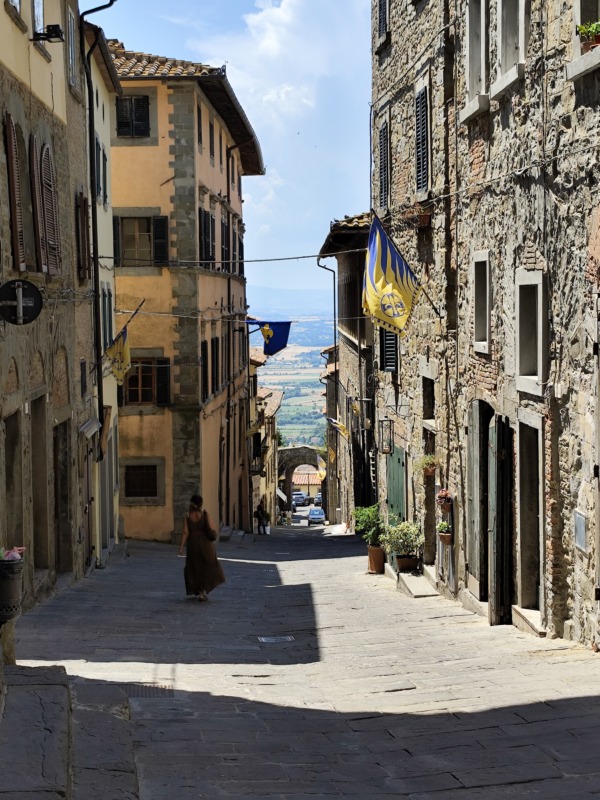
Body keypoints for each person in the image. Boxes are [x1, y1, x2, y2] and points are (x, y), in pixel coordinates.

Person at [179, 495, 225, 601]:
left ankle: (199, 591)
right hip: (205, 544)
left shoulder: (187, 516)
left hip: (193, 544)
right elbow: (212, 528)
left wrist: (181, 547)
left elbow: (185, 532)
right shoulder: (205, 514)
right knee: (207, 566)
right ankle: (203, 592)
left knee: (195, 567)